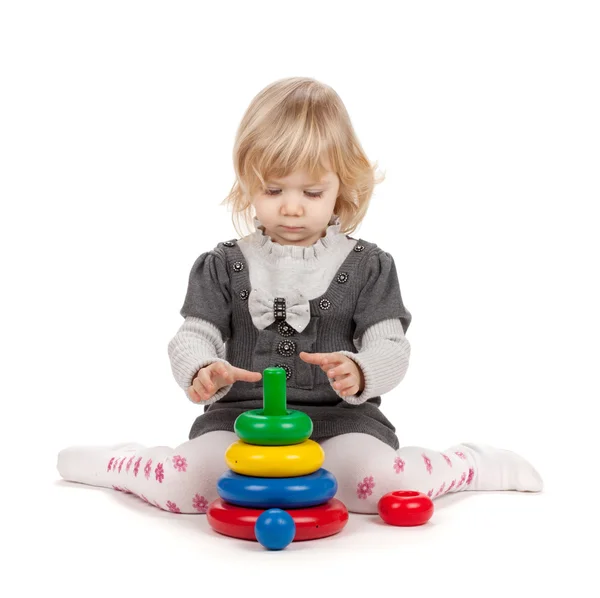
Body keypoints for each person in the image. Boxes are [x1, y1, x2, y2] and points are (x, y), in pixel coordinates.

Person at [57, 76, 543, 515]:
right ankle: (123, 465)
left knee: (374, 486)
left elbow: (390, 346)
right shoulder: (222, 264)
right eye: (273, 190)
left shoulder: (370, 266)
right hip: (238, 420)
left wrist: (362, 370)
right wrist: (203, 369)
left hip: (341, 421)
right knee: (193, 485)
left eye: (311, 192)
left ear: (341, 187)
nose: (291, 208)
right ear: (248, 183)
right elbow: (192, 335)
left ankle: (467, 465)